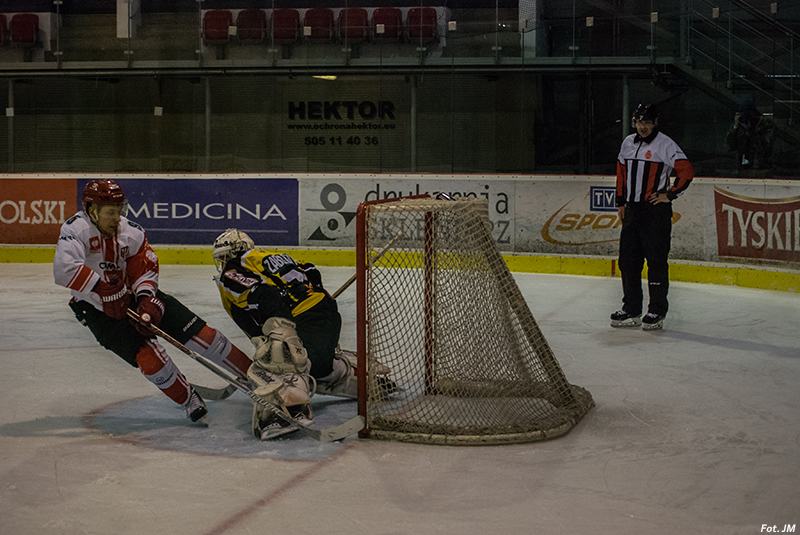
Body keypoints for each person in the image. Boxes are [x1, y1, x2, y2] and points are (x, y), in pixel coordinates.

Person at [54, 180, 253, 424]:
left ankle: (253, 375)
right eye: (111, 212)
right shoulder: (76, 229)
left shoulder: (132, 232)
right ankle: (187, 398)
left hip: (131, 296)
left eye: (120, 210)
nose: (118, 218)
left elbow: (144, 269)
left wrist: (146, 299)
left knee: (203, 334)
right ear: (91, 210)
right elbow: (64, 268)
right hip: (95, 308)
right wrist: (102, 289)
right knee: (148, 358)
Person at [211, 228, 357, 440]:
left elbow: (265, 295)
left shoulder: (234, 268)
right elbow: (311, 269)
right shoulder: (272, 257)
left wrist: (282, 333)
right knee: (316, 361)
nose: (224, 263)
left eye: (224, 257)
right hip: (329, 315)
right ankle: (349, 374)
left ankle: (281, 415)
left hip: (302, 322)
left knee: (274, 361)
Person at [610, 103, 695, 331]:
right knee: (628, 262)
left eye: (647, 122)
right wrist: (621, 202)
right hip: (632, 211)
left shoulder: (666, 144)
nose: (643, 126)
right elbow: (621, 173)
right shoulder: (628, 142)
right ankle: (631, 309)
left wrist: (670, 194)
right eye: (639, 122)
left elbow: (687, 171)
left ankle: (656, 310)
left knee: (656, 262)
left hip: (655, 212)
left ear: (655, 123)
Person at [725, 100, 773, 172]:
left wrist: (751, 132)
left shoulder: (766, 127)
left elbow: (764, 148)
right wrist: (735, 128)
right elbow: (729, 147)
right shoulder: (740, 126)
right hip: (741, 168)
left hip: (760, 169)